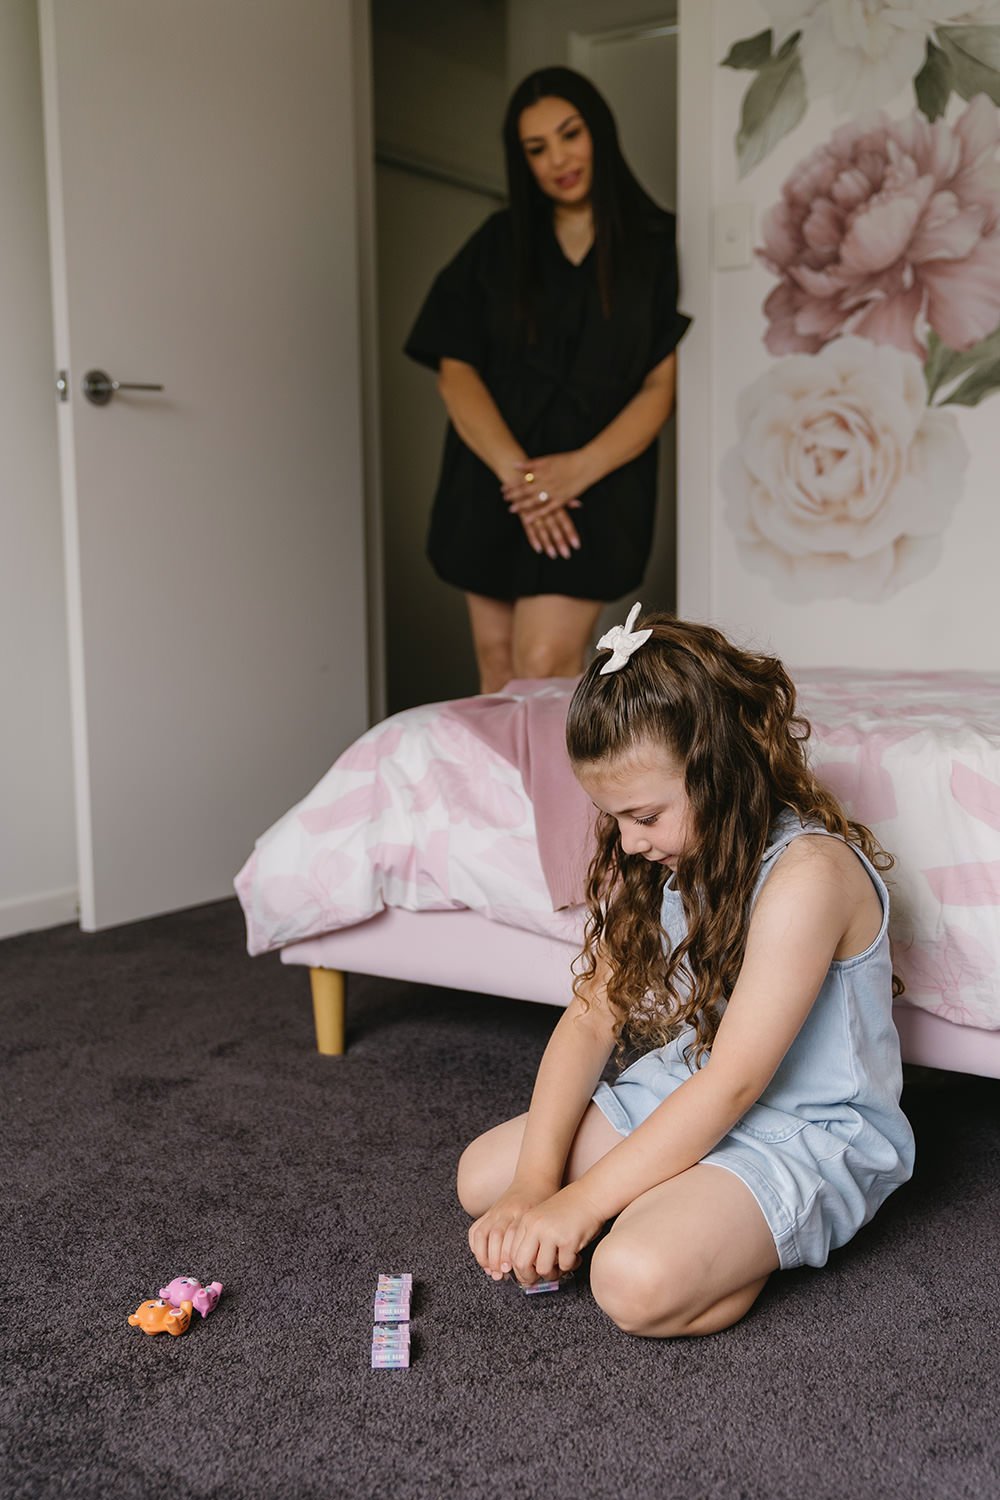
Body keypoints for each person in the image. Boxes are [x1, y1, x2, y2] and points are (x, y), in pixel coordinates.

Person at [457, 607, 915, 1338]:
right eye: (615, 820)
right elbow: (588, 1019)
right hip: (692, 1084)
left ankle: (719, 1231)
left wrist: (581, 1206)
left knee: (630, 1280)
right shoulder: (662, 860)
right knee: (485, 1177)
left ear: (720, 768)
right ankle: (676, 1200)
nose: (631, 843)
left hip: (803, 1124)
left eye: (644, 816)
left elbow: (737, 1080)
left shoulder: (810, 876)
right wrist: (535, 1187)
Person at [404, 68, 691, 693]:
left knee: (543, 661)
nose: (558, 158)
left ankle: (568, 795)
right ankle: (511, 797)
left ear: (599, 132)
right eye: (537, 148)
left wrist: (575, 472)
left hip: (596, 487)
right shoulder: (496, 244)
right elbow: (455, 373)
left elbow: (658, 388)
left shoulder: (659, 246)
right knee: (497, 661)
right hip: (496, 481)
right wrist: (522, 478)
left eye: (569, 134)